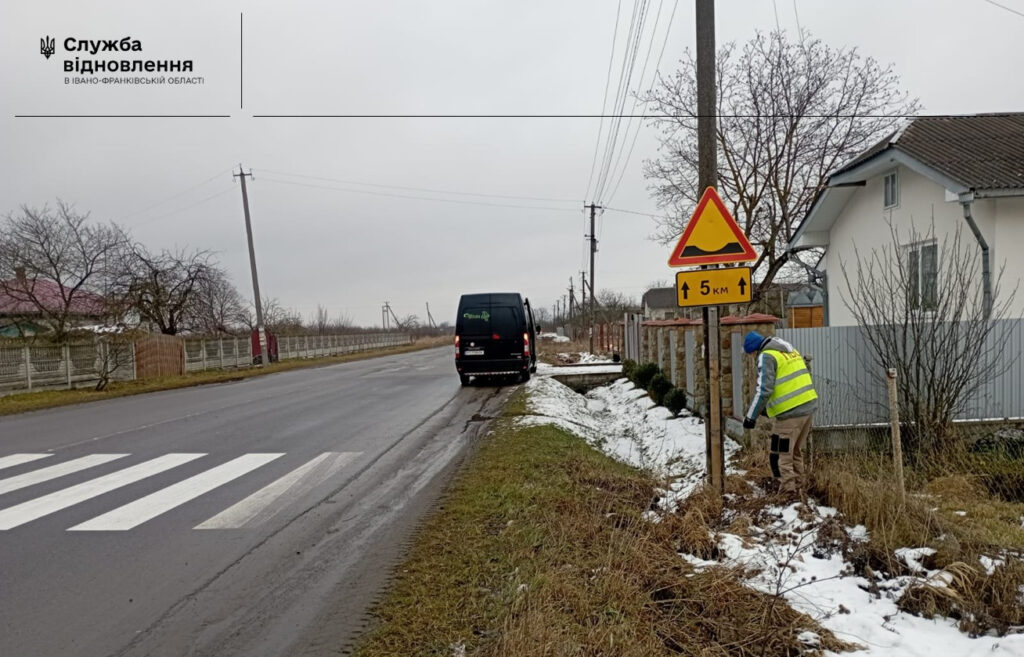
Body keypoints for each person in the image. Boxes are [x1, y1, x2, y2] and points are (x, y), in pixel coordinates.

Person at [741, 331, 818, 498]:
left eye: (751, 354)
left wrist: (751, 417)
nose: (752, 357)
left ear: (754, 350)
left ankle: (788, 494)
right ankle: (801, 487)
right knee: (795, 451)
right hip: (807, 408)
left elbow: (764, 390)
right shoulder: (787, 350)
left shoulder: (766, 356)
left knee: (781, 453)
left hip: (790, 414)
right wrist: (767, 410)